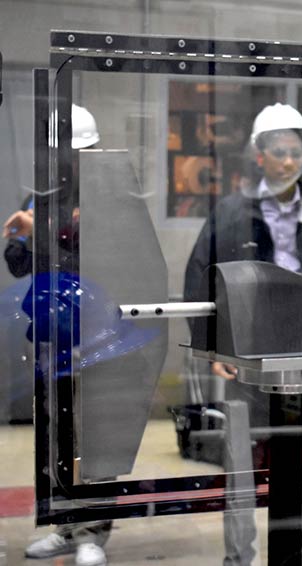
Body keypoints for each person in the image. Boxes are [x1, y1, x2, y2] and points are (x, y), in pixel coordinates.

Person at [184, 102, 302, 566]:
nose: (288, 161)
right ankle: (238, 559)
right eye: (279, 151)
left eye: (296, 153)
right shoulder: (230, 214)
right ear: (258, 156)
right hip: (248, 359)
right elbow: (200, 277)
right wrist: (211, 344)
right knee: (242, 466)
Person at [12, 104, 110, 566]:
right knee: (54, 435)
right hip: (51, 335)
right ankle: (63, 527)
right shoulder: (41, 196)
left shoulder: (103, 197)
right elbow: (21, 264)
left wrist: (41, 236)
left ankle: (91, 532)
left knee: (89, 438)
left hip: (91, 331)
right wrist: (22, 239)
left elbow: (91, 264)